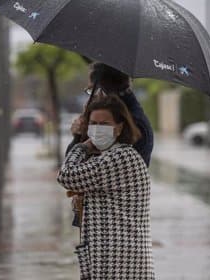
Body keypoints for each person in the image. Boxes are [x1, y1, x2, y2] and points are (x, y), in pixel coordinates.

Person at [57, 95, 155, 280]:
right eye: (93, 123)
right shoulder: (106, 158)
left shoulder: (121, 158)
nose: (97, 129)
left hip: (121, 264)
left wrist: (81, 146)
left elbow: (66, 176)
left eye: (104, 124)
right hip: (106, 260)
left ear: (119, 127)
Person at [66, 62, 153, 167]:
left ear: (101, 90)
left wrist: (78, 139)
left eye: (91, 90)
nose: (91, 97)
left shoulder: (133, 123)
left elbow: (74, 172)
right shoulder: (116, 115)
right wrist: (79, 135)